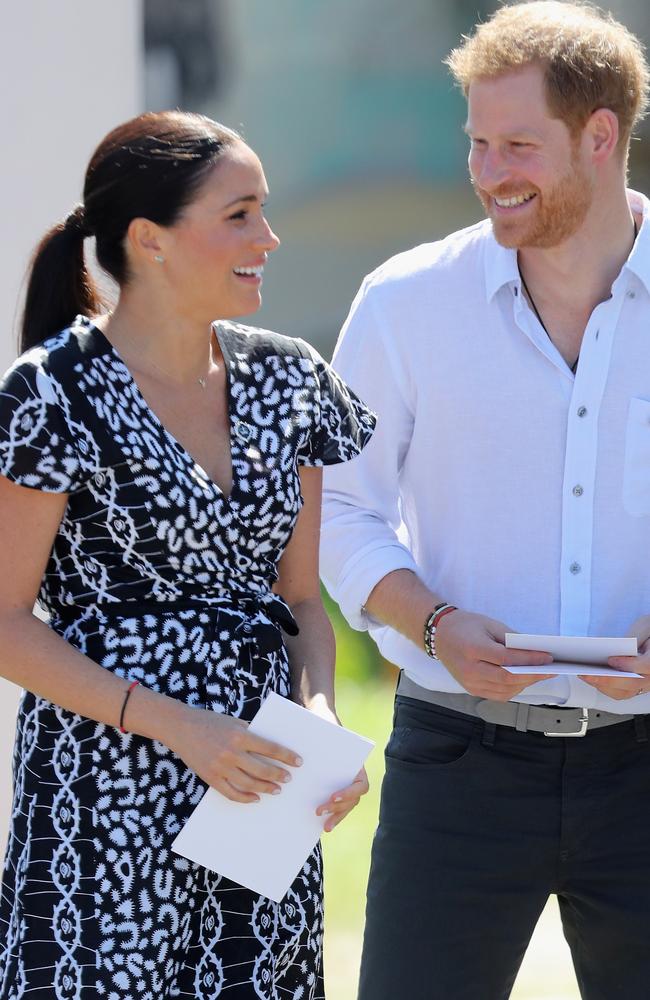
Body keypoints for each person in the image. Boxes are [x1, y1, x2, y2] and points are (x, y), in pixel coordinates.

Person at [0, 110, 375, 999]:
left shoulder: (292, 378)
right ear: (149, 240)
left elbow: (303, 603)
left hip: (260, 795)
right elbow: (6, 623)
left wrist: (318, 717)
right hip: (105, 798)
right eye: (239, 214)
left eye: (266, 211)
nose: (269, 238)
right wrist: (180, 727)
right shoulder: (52, 393)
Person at [320, 2, 650, 997]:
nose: (485, 171)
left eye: (515, 145)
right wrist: (428, 618)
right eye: (474, 143)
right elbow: (333, 507)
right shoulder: (403, 302)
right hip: (453, 761)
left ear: (599, 136)